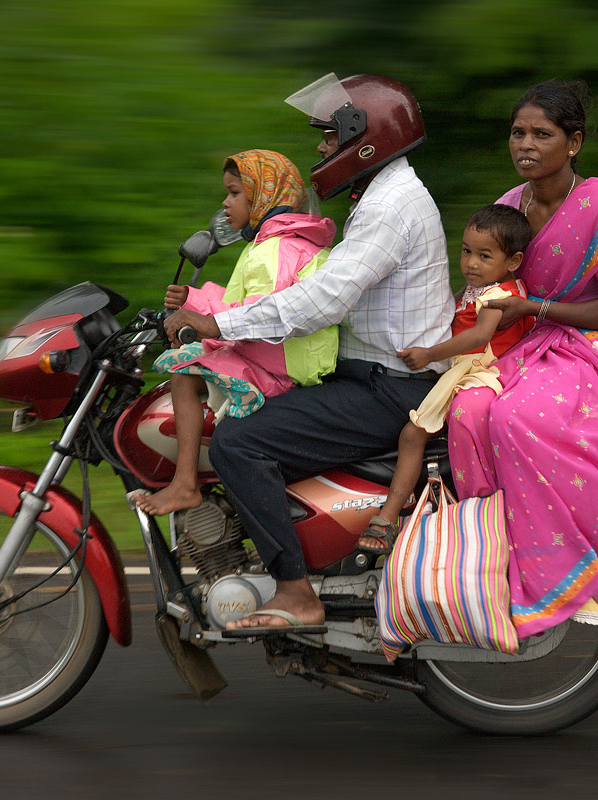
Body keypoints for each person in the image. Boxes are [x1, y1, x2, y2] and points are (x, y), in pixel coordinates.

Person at [163, 74, 455, 633]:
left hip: (390, 387)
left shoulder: (392, 205)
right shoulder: (382, 197)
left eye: (328, 138)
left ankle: (297, 594)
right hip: (370, 375)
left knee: (240, 442)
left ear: (364, 139)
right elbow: (306, 297)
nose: (321, 149)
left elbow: (322, 300)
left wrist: (215, 321)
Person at [444, 79, 598, 637]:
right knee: (464, 416)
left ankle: (577, 572)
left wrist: (537, 307)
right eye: (517, 132)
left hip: (583, 346)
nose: (525, 144)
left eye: (541, 134)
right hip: (515, 343)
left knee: (515, 419)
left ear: (573, 143)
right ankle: (489, 568)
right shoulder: (510, 205)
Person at [133, 149, 338, 517]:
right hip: (281, 359)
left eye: (234, 193)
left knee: (182, 371)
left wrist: (195, 319)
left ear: (263, 195)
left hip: (278, 366)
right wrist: (192, 302)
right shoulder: (284, 244)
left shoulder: (275, 249)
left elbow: (256, 319)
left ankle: (184, 484)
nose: (225, 203)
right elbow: (239, 307)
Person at [357, 204, 533, 554]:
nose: (471, 263)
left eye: (484, 256)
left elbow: (478, 336)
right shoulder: (477, 289)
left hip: (479, 372)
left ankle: (389, 518)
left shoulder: (501, 296)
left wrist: (428, 353)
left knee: (413, 432)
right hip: (463, 369)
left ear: (512, 261)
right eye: (467, 251)